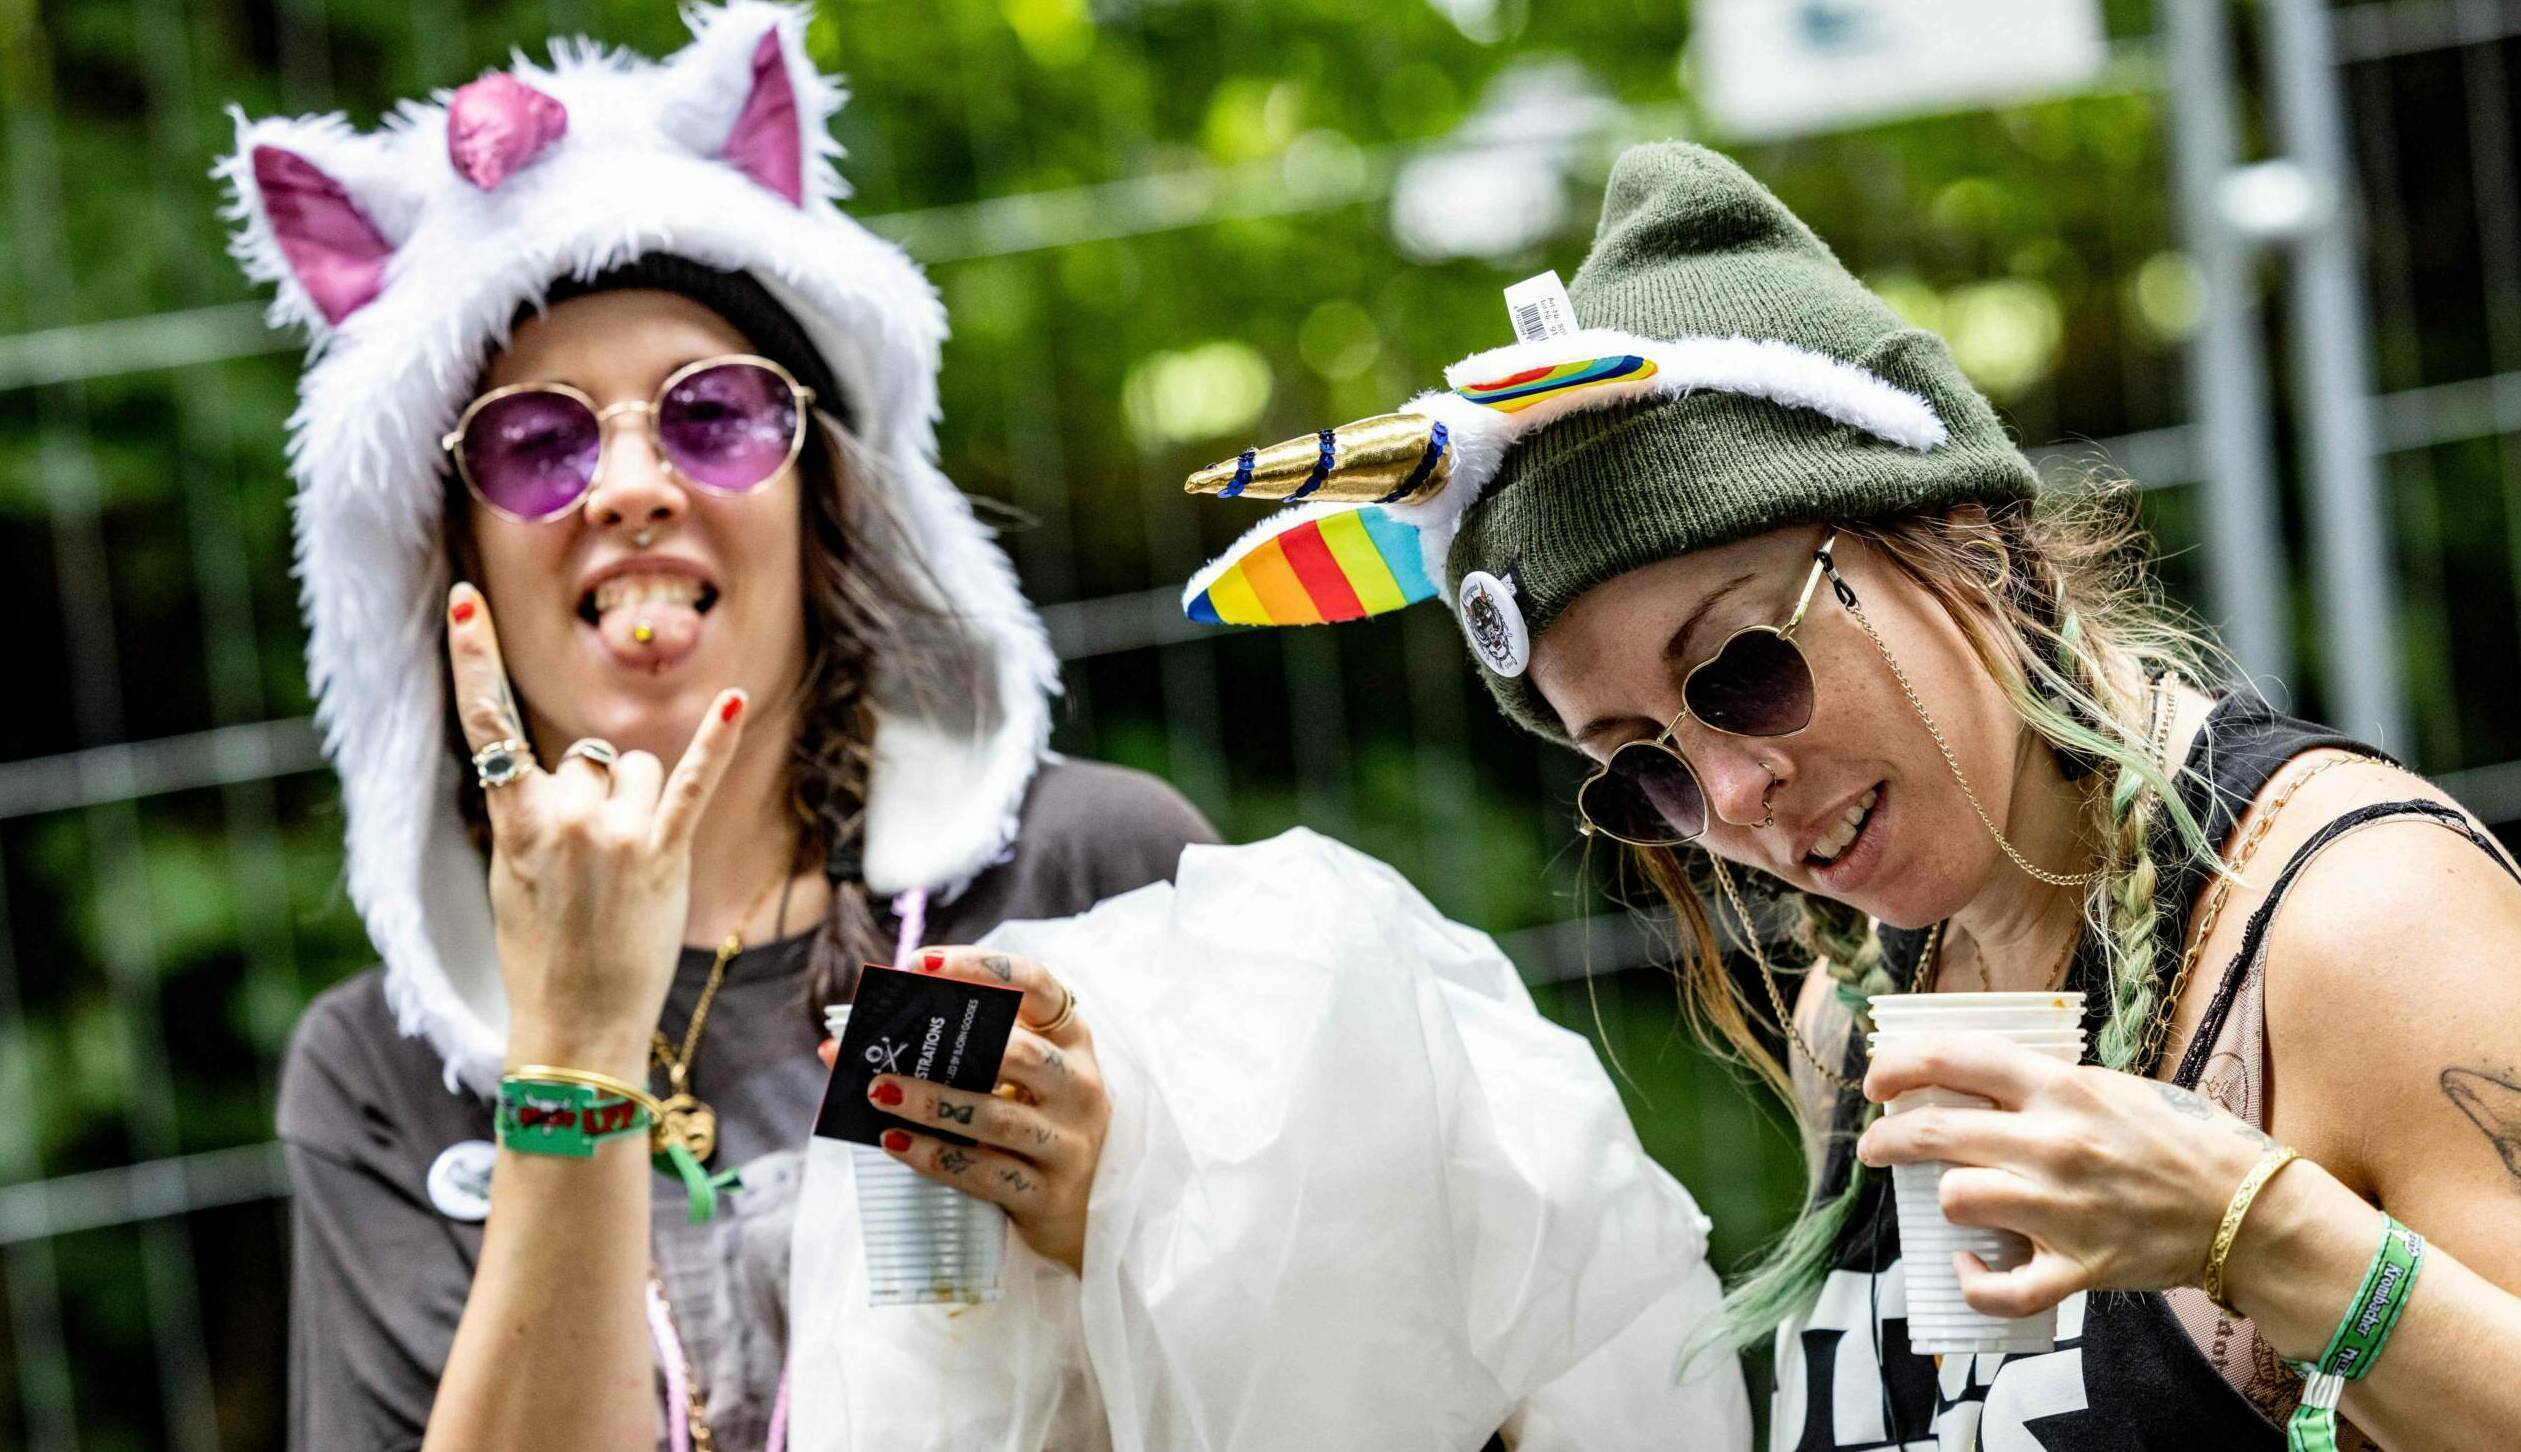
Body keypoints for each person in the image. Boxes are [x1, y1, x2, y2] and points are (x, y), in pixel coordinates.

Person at [1179, 140, 2521, 1448]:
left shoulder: (2356, 925)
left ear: (1955, 534)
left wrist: (2268, 1237)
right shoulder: (1859, 1009)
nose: (1732, 794)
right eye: (1642, 767)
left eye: (1741, 668)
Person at [222, 6, 1211, 1448]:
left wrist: (1103, 1229)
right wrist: (573, 1049)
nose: (631, 486)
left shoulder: (1092, 874)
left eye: (715, 416)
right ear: (452, 565)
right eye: (538, 444)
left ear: (822, 505)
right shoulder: (380, 1075)